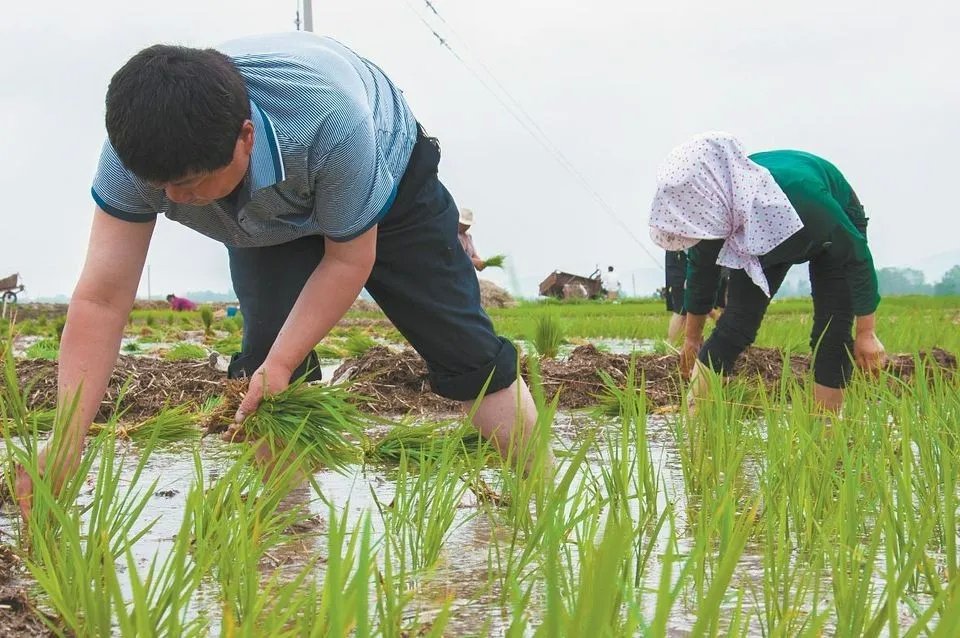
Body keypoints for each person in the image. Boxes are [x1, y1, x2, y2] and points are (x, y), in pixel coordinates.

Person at [15, 33, 541, 520]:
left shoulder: (333, 123)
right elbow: (102, 299)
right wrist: (66, 440)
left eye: (190, 182)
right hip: (265, 219)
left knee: (466, 353)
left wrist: (283, 363)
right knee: (265, 366)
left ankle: (542, 501)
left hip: (386, 176)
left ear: (246, 137)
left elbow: (347, 260)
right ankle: (289, 528)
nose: (174, 199)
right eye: (160, 185)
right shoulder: (133, 159)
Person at [648, 133, 886, 412]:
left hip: (819, 220)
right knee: (735, 324)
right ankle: (694, 420)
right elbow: (702, 275)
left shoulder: (806, 199)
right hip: (753, 233)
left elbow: (854, 256)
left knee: (832, 334)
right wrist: (691, 339)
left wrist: (866, 332)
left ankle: (827, 428)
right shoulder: (710, 218)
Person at [663, 252, 728, 342]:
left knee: (723, 299)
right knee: (682, 308)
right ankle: (676, 347)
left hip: (715, 254)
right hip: (685, 252)